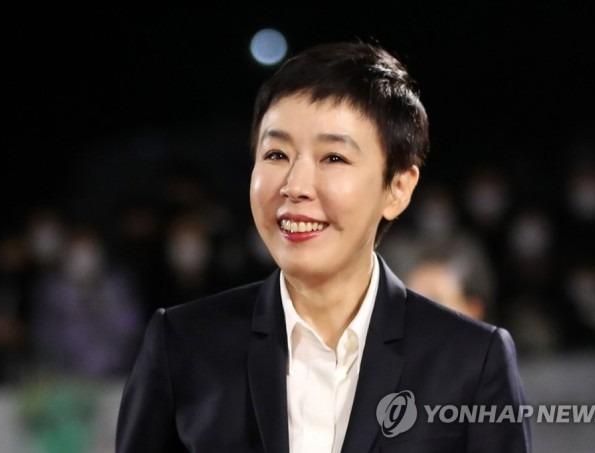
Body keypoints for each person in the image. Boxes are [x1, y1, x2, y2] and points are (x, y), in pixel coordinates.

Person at [116, 41, 531, 452]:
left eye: (333, 158)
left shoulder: (470, 359)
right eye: (276, 154)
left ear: (397, 188)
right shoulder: (182, 345)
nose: (295, 186)